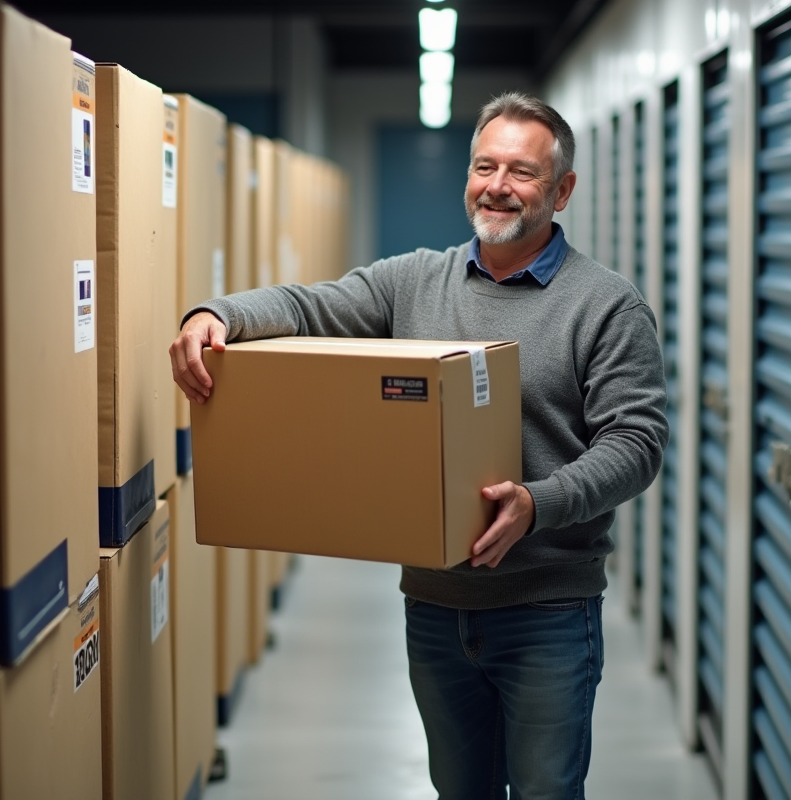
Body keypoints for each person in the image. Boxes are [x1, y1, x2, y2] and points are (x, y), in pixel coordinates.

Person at [170, 92, 668, 800]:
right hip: (433, 607)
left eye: (522, 173)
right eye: (484, 166)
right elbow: (311, 306)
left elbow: (637, 442)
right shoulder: (413, 280)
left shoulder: (607, 306)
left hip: (547, 611)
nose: (496, 186)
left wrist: (538, 503)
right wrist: (214, 314)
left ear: (562, 191)